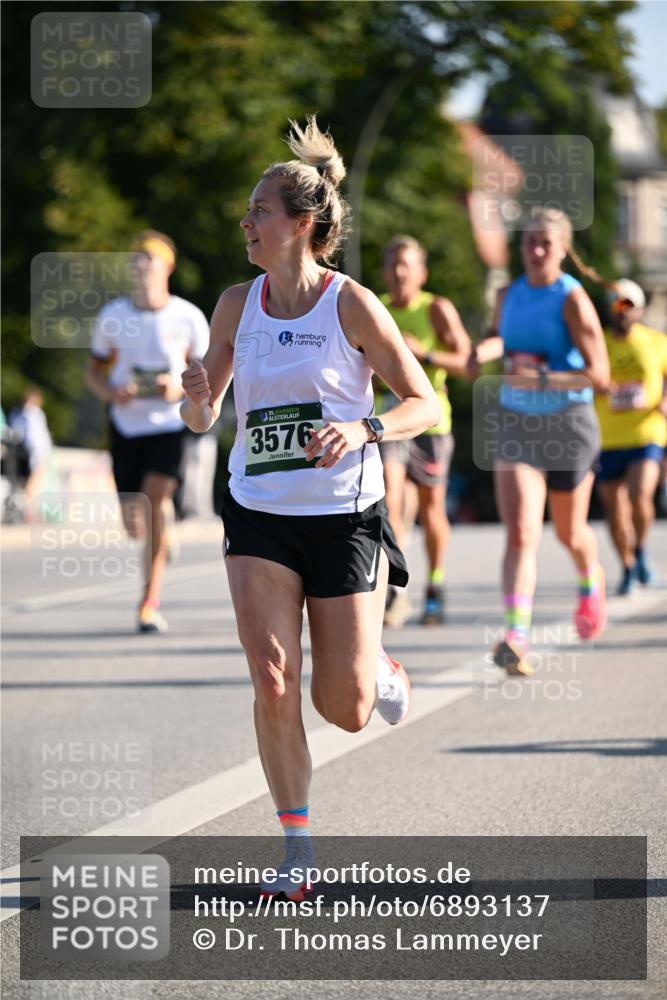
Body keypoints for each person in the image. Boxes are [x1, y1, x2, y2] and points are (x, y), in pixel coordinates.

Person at [180, 118, 439, 899]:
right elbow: (204, 416)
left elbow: (422, 403)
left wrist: (363, 429)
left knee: (347, 707)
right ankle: (296, 849)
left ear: (301, 225)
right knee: (270, 675)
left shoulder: (350, 305)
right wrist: (196, 402)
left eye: (258, 211)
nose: (246, 223)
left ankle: (380, 667)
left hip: (343, 516)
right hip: (258, 511)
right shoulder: (236, 303)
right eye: (247, 212)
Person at [468, 207, 610, 677]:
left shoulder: (572, 298)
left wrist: (544, 377)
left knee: (569, 532)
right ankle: (516, 635)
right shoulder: (507, 294)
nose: (536, 250)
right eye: (529, 241)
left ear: (563, 248)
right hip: (516, 421)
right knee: (523, 530)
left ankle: (591, 583)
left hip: (568, 423)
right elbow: (497, 340)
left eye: (546, 242)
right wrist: (479, 353)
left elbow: (600, 375)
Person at [85, 231, 209, 633]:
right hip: (126, 425)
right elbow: (94, 372)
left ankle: (149, 602)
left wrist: (177, 387)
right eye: (135, 259)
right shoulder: (113, 315)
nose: (139, 266)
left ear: (167, 266)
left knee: (154, 502)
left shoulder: (187, 316)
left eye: (148, 259)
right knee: (133, 521)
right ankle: (161, 532)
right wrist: (110, 392)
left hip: (171, 424)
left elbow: (205, 374)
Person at [378, 235, 471, 626]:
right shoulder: (374, 308)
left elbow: (468, 363)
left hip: (433, 419)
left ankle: (434, 585)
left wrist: (425, 354)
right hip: (389, 415)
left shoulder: (436, 309)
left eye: (407, 265)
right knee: (390, 499)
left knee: (433, 509)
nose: (400, 273)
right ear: (384, 272)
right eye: (394, 265)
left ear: (422, 272)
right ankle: (395, 591)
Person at [595, 279, 667, 593]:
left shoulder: (655, 341)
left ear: (639, 310)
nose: (621, 312)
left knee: (640, 496)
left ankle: (639, 549)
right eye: (615, 304)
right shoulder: (598, 344)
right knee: (615, 509)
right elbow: (584, 374)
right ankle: (626, 564)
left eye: (627, 305)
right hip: (608, 437)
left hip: (646, 432)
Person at [8, 386, 53, 510]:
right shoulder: (33, 414)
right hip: (34, 452)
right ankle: (24, 506)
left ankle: (22, 505)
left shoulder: (18, 413)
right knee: (34, 479)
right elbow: (37, 439)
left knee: (29, 480)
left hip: (25, 452)